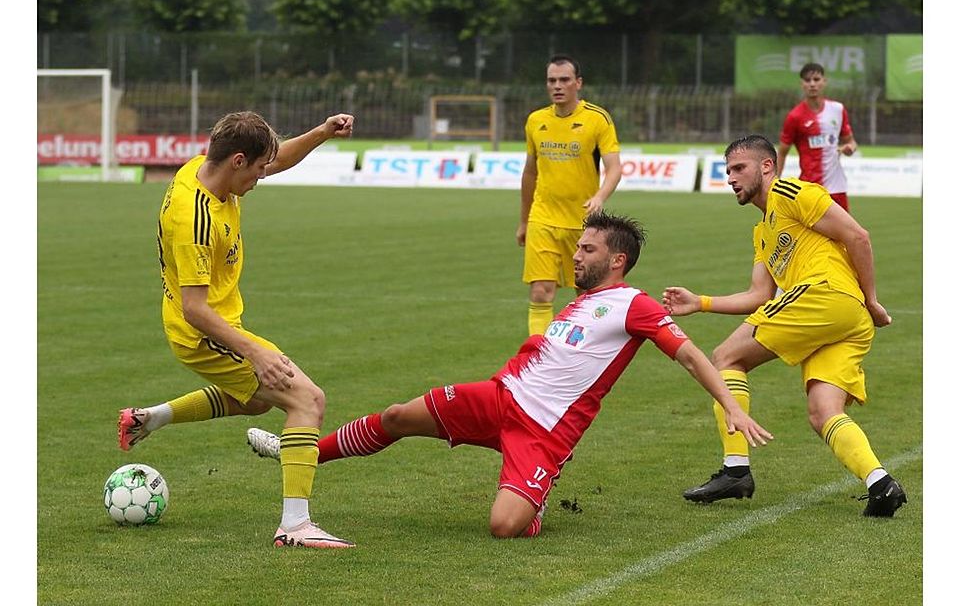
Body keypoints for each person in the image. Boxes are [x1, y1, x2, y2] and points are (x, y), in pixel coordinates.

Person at [246, 211, 773, 539]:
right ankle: (300, 450)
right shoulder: (583, 302)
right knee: (396, 415)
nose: (576, 256)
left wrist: (729, 404)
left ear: (618, 259)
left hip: (544, 433)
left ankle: (534, 500)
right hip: (500, 397)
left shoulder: (633, 306)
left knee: (504, 527)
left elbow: (688, 355)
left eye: (587, 249)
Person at [117, 110, 357, 548]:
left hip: (213, 323)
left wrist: (322, 132)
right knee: (307, 400)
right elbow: (195, 309)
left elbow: (276, 157)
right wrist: (256, 352)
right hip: (203, 332)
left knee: (257, 403)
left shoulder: (206, 166)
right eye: (260, 169)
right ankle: (295, 527)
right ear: (238, 161)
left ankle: (151, 418)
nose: (264, 177)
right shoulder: (195, 219)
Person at [662, 134, 906, 518]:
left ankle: (736, 469)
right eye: (727, 171)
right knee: (823, 411)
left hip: (825, 297)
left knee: (726, 356)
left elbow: (857, 235)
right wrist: (701, 303)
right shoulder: (763, 232)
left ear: (767, 167)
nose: (731, 178)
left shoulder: (791, 192)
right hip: (844, 317)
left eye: (739, 168)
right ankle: (881, 483)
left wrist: (872, 299)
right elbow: (760, 294)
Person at [517, 54, 623, 336]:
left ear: (578, 83)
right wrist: (525, 221)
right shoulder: (535, 121)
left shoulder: (597, 119)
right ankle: (537, 358)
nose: (557, 86)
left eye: (564, 80)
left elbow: (614, 168)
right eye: (552, 80)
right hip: (543, 218)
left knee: (584, 294)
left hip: (582, 222)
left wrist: (600, 196)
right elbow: (530, 173)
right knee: (541, 291)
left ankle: (581, 355)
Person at [777, 62, 858, 211]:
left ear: (824, 81)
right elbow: (782, 153)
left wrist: (850, 149)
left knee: (847, 235)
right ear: (802, 84)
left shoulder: (837, 109)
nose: (812, 84)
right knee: (812, 235)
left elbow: (851, 142)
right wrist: (774, 185)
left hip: (837, 187)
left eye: (816, 79)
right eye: (808, 80)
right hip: (810, 189)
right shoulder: (794, 117)